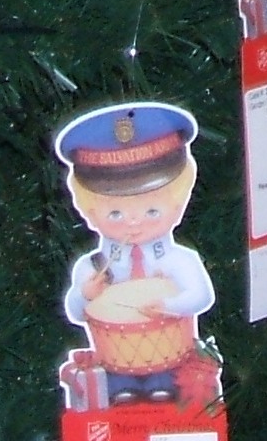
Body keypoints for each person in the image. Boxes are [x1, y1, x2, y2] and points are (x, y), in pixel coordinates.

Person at [57, 103, 215, 409]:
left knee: (165, 395)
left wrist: (169, 305)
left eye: (152, 211)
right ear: (89, 212)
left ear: (178, 205)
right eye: (115, 213)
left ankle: (160, 386)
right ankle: (123, 388)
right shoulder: (92, 266)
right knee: (120, 395)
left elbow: (201, 297)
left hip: (172, 360)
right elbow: (75, 312)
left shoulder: (179, 260)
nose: (133, 222)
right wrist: (85, 295)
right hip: (114, 363)